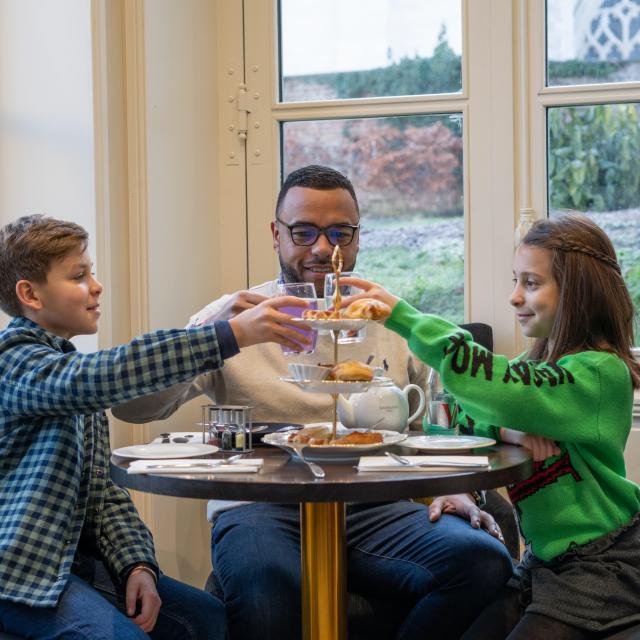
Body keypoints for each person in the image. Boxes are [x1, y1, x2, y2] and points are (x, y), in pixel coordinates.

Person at [114, 165, 514, 640]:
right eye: (303, 233)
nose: (324, 249)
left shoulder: (387, 315)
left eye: (339, 233)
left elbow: (437, 415)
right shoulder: (237, 317)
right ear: (275, 235)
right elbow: (133, 407)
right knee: (266, 594)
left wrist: (456, 487)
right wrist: (212, 333)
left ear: (358, 238)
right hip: (257, 505)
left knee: (483, 563)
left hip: (374, 501)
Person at [0, 214, 312, 640]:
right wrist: (227, 335)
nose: (96, 285)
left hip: (69, 564)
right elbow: (106, 374)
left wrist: (137, 564)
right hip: (19, 574)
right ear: (29, 294)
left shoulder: (66, 369)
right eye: (79, 276)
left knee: (205, 620)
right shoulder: (16, 364)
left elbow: (102, 493)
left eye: (91, 272)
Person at [339, 213, 640, 639]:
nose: (514, 297)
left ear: (578, 292)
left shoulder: (600, 376)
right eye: (515, 281)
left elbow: (499, 390)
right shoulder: (531, 369)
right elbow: (447, 421)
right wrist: (507, 430)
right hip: (543, 566)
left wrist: (402, 317)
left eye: (531, 283)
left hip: (602, 567)